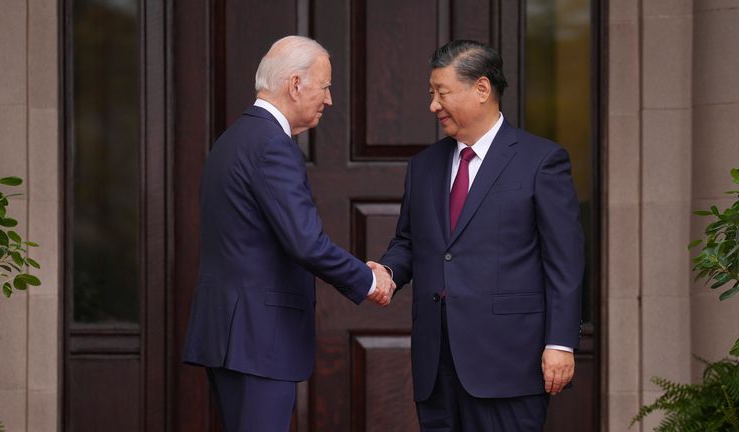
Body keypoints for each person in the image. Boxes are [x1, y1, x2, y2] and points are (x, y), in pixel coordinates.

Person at [182, 35, 395, 432]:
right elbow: (306, 242)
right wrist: (369, 280)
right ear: (296, 84)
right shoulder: (272, 146)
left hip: (231, 335)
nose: (329, 100)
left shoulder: (233, 140)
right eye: (325, 86)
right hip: (257, 338)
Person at [372, 40, 584, 431]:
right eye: (431, 94)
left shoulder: (541, 161)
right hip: (436, 367)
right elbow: (408, 242)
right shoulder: (424, 166)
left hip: (509, 363)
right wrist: (386, 271)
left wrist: (560, 342)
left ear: (482, 89)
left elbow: (564, 261)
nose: (433, 105)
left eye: (441, 93)